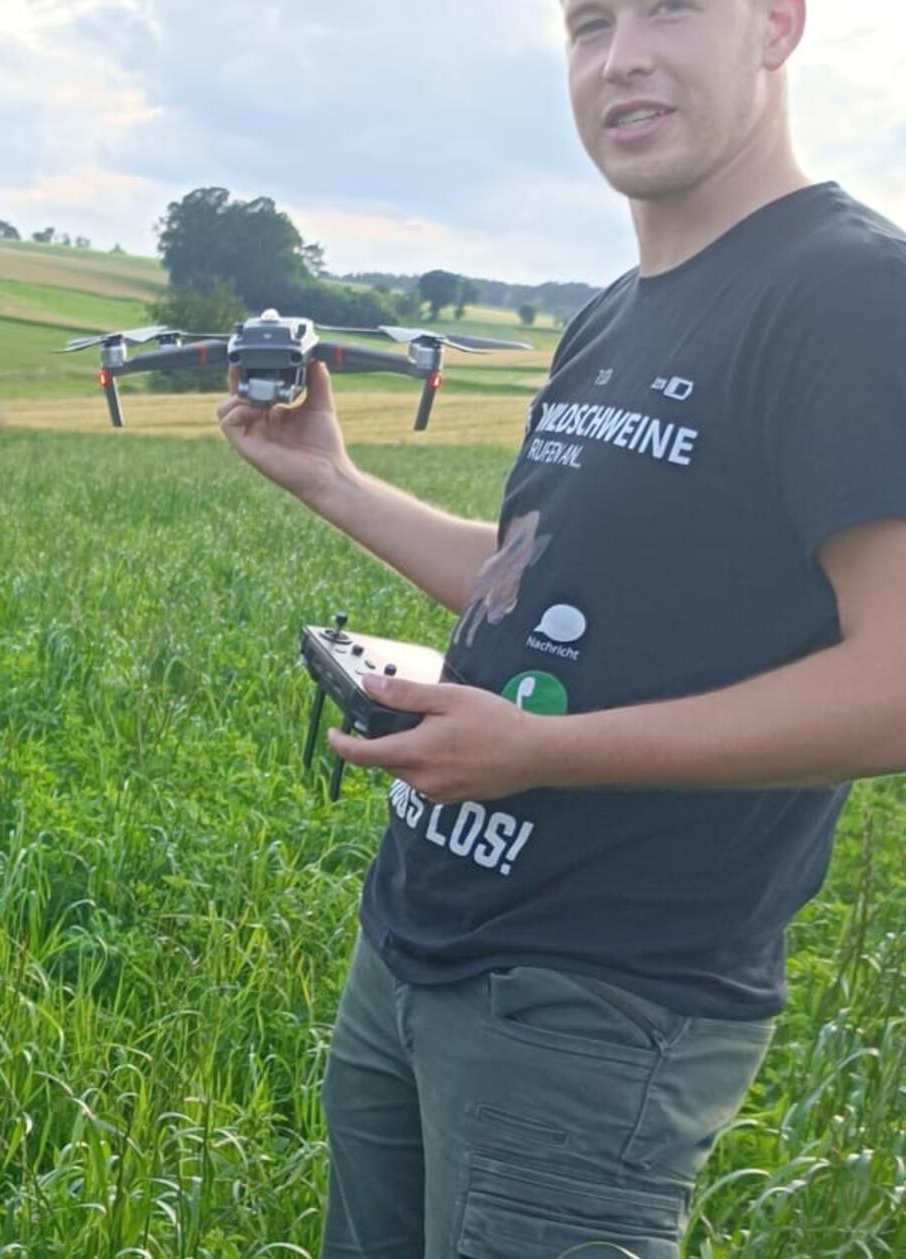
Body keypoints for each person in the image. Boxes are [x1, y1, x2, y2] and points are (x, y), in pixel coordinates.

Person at [216, 1, 906, 1254]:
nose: (620, 55)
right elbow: (529, 582)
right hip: (416, 942)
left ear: (775, 25)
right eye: (587, 24)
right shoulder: (614, 312)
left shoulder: (853, 296)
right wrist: (331, 480)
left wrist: (541, 750)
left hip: (597, 1003)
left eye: (667, 8)